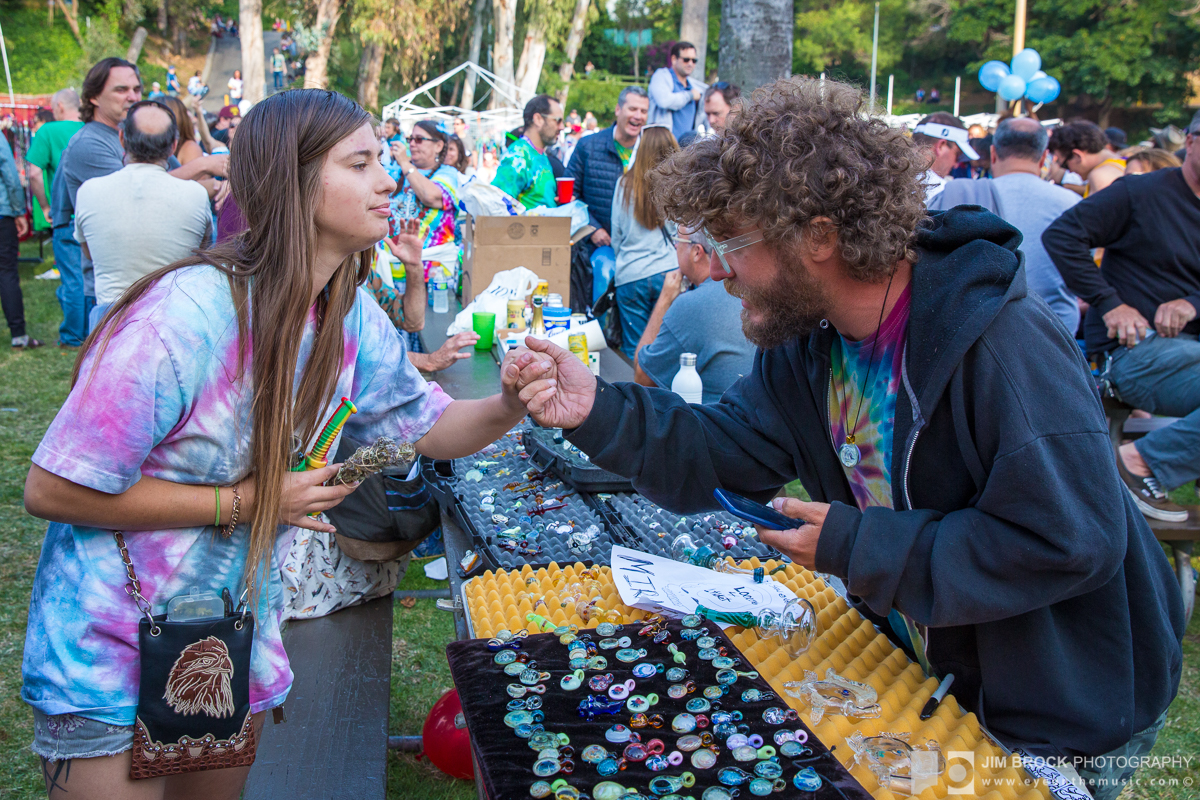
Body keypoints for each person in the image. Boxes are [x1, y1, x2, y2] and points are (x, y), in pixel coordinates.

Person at [511, 77, 1184, 800]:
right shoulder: (811, 344)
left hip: (1065, 704)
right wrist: (597, 411)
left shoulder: (1002, 344)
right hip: (942, 666)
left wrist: (859, 546)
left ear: (821, 236)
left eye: (732, 240)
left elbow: (1069, 539)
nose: (718, 265)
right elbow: (722, 454)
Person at [22, 87, 535, 800]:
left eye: (383, 160)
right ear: (293, 181)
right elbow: (53, 489)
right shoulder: (183, 316)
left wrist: (515, 401)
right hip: (111, 648)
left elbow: (429, 425)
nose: (388, 180)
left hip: (228, 636)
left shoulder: (345, 312)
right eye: (360, 163)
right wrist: (250, 501)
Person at [1043, 110, 1200, 524]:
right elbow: (1061, 236)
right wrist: (1110, 302)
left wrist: (1192, 303)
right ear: (1191, 141)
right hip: (1133, 352)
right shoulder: (1141, 193)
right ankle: (1139, 462)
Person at [51, 59, 228, 348]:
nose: (133, 96)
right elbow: (141, 192)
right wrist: (204, 169)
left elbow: (157, 184)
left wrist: (209, 184)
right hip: (122, 302)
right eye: (121, 89)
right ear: (93, 96)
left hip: (149, 302)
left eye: (136, 88)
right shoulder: (89, 143)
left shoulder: (131, 133)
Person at [929, 117, 1082, 334]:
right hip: (1054, 332)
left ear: (992, 153)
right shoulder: (1072, 204)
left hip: (973, 332)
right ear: (1044, 158)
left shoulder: (957, 195)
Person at [74, 101, 214, 329]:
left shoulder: (89, 191)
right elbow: (202, 253)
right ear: (173, 147)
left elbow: (89, 252)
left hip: (109, 322)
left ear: (122, 138)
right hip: (173, 319)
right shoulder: (195, 194)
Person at [634, 225, 754, 400]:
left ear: (697, 252)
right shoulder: (747, 289)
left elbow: (642, 378)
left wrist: (665, 298)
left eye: (677, 240)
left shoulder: (692, 305)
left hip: (715, 421)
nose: (675, 246)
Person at [568, 86, 649, 304]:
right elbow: (569, 196)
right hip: (601, 246)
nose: (638, 116)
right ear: (618, 109)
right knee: (603, 279)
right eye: (633, 109)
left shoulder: (651, 151)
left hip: (643, 248)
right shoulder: (588, 146)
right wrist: (592, 228)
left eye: (643, 111)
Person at [610, 126, 680, 357]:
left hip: (631, 274)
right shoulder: (677, 184)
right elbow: (681, 231)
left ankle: (635, 393)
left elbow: (617, 234)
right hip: (668, 274)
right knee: (666, 350)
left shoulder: (624, 184)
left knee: (634, 351)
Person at [388, 119, 460, 300]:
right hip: (390, 273)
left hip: (432, 277)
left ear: (438, 146)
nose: (412, 144)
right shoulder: (396, 172)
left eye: (419, 139)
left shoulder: (449, 174)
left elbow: (431, 196)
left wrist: (405, 163)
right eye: (410, 138)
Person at [0, 127, 41, 349]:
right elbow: (9, 174)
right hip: (2, 213)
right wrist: (18, 211)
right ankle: (18, 335)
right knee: (6, 272)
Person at [491, 95, 564, 209]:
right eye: (557, 120)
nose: (562, 127)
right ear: (538, 119)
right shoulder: (518, 156)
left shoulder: (538, 154)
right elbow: (497, 206)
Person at [27, 89, 83, 231]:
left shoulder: (47, 130)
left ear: (60, 106)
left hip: (64, 216)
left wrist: (45, 207)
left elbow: (34, 173)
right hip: (95, 213)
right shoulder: (94, 127)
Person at [911, 112, 979, 201]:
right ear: (940, 146)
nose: (956, 165)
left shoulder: (890, 173)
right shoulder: (941, 193)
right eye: (958, 155)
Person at [1048, 120, 1126, 197]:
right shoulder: (1125, 162)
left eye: (1065, 165)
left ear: (1077, 156)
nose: (1070, 171)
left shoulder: (1099, 177)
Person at [647, 41, 707, 142]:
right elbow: (664, 101)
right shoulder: (661, 76)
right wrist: (690, 95)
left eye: (694, 60)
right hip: (662, 147)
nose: (690, 64)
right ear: (674, 59)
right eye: (686, 60)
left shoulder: (695, 85)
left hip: (687, 149)